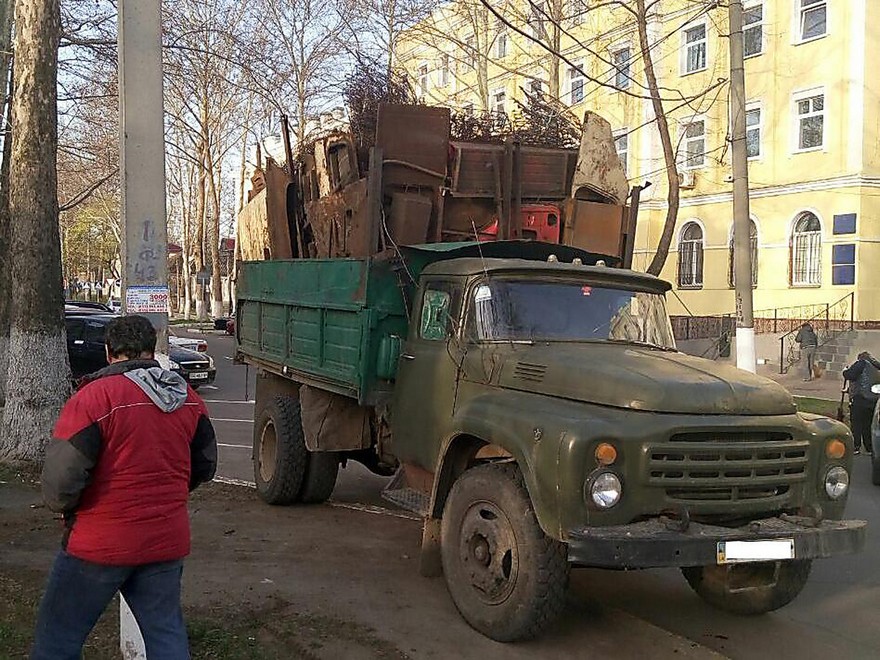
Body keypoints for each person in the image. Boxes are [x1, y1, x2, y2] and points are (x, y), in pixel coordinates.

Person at [31, 315, 217, 659]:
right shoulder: (186, 398)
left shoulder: (94, 399)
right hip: (165, 540)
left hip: (98, 544)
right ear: (152, 348)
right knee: (166, 637)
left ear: (108, 351)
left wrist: (68, 508)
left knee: (57, 640)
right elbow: (204, 466)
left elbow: (60, 483)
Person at [842, 351, 880, 456]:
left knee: (856, 423)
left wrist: (845, 371)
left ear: (860, 358)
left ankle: (855, 446)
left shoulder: (861, 363)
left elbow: (851, 375)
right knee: (868, 424)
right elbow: (865, 382)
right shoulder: (876, 367)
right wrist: (849, 389)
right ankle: (869, 448)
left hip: (860, 399)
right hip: (873, 400)